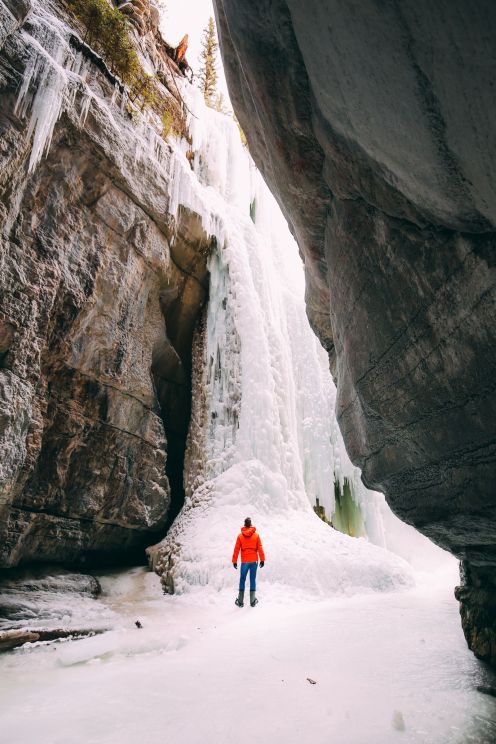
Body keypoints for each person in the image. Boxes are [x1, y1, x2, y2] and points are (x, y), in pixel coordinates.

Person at [232, 517, 265, 607]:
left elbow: (236, 549)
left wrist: (234, 561)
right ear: (251, 524)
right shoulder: (256, 535)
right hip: (254, 561)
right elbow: (260, 548)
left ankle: (240, 601)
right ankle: (252, 601)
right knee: (252, 579)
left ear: (244, 524)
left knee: (242, 579)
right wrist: (262, 559)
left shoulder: (240, 536)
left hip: (245, 561)